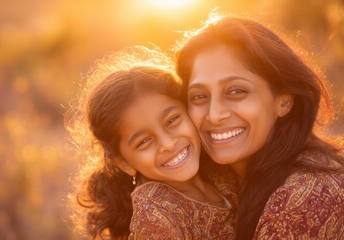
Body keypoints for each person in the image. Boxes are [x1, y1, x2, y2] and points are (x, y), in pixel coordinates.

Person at [175, 15, 344, 239]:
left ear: (283, 101)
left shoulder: (305, 199)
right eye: (199, 96)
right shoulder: (223, 178)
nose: (215, 115)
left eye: (236, 91)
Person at [66, 47, 236, 239]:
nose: (168, 144)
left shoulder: (218, 162)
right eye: (144, 141)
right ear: (123, 162)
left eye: (172, 120)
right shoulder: (154, 218)